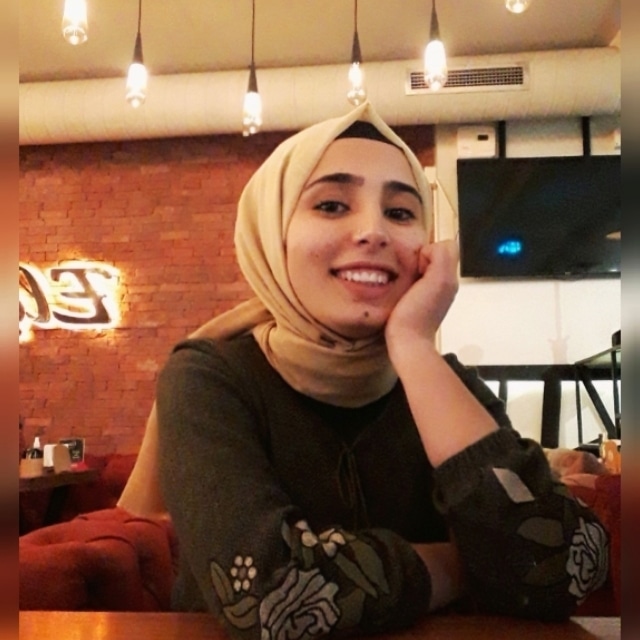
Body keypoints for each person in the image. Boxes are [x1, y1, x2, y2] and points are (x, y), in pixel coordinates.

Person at [118, 102, 609, 640]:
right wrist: (466, 565)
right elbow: (272, 596)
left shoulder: (442, 381)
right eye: (331, 205)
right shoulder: (209, 377)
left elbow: (563, 567)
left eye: (400, 213)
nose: (373, 231)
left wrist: (414, 347)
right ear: (272, 237)